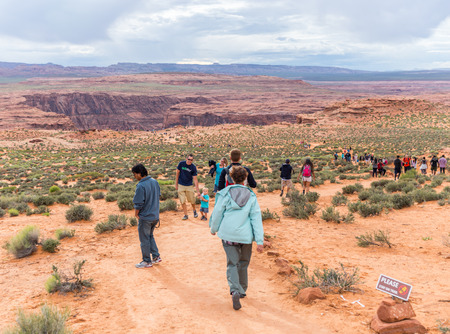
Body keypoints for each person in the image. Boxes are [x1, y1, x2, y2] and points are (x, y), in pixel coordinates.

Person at [209, 166, 264, 311]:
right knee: (243, 263)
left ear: (231, 178)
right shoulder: (251, 196)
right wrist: (259, 241)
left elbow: (217, 213)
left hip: (228, 235)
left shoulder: (224, 194)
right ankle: (242, 290)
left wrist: (213, 229)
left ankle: (234, 290)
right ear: (245, 178)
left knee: (232, 263)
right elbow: (256, 219)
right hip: (245, 236)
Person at [132, 164, 162, 269]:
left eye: (135, 174)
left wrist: (136, 213)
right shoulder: (155, 182)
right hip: (155, 215)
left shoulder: (141, 185)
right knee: (150, 236)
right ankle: (156, 256)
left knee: (144, 239)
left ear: (139, 173)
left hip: (145, 217)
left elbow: (138, 203)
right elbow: (158, 196)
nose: (134, 176)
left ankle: (146, 261)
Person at [175, 154, 200, 220]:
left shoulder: (193, 167)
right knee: (182, 201)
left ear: (192, 160)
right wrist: (176, 184)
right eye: (189, 159)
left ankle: (194, 211)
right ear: (186, 158)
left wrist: (197, 190)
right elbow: (177, 173)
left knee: (192, 200)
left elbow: (195, 179)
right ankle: (186, 215)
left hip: (189, 185)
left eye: (191, 160)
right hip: (181, 184)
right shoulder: (181, 164)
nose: (190, 161)